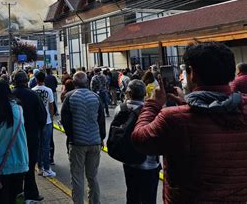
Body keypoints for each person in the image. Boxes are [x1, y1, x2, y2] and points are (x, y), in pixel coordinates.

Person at [132, 42, 247, 202]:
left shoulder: (173, 118)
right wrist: (186, 105)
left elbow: (140, 139)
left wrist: (153, 104)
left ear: (192, 73)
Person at [61, 71, 105, 204]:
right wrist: (101, 137)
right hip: (95, 141)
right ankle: (95, 201)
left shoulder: (69, 97)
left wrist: (71, 136)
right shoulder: (95, 97)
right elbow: (101, 120)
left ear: (74, 83)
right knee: (93, 177)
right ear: (86, 82)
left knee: (77, 177)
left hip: (77, 142)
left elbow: (65, 120)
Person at [114, 80, 160, 204]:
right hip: (149, 162)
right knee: (149, 198)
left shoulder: (120, 109)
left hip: (129, 160)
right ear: (145, 93)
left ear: (128, 92)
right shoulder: (151, 111)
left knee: (132, 194)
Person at [11, 71, 47, 202]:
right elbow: (42, 117)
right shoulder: (33, 95)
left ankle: (16, 190)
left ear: (13, 81)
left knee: (16, 163)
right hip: (31, 135)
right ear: (26, 81)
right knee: (30, 166)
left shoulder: (10, 95)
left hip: (13, 137)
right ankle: (31, 193)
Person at [31, 71, 56, 178]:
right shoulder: (48, 90)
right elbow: (51, 106)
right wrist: (51, 117)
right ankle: (47, 168)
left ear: (36, 79)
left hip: (36, 121)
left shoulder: (32, 91)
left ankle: (39, 166)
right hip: (47, 121)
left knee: (38, 144)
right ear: (44, 79)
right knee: (46, 145)